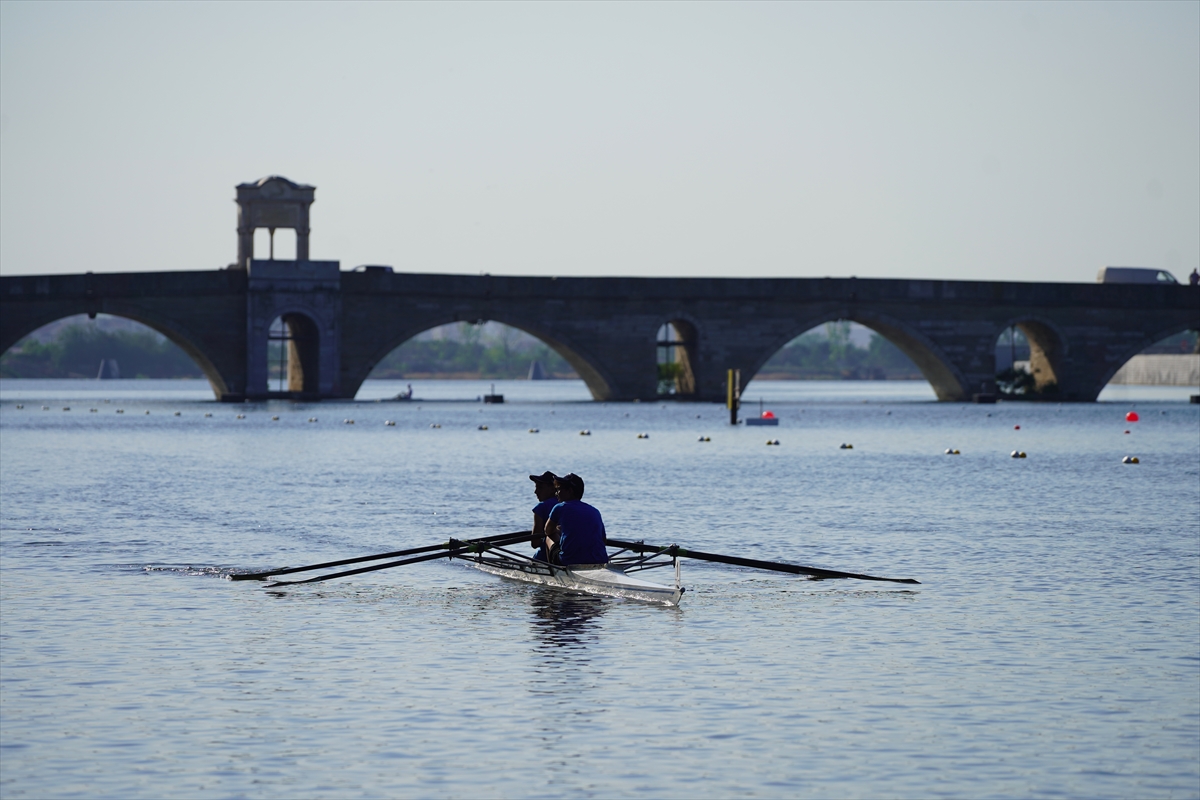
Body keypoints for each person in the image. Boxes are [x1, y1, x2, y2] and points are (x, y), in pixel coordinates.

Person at [545, 473, 609, 566]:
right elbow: (603, 540)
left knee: (549, 537)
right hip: (600, 560)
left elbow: (547, 530)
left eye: (559, 489)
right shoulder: (594, 511)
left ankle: (553, 570)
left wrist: (559, 530)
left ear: (570, 491)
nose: (556, 493)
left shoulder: (559, 507)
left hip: (570, 561)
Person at [528, 471, 560, 562]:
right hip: (570, 557)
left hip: (545, 559)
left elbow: (535, 543)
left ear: (553, 488)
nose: (535, 492)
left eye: (540, 487)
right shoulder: (567, 505)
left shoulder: (541, 507)